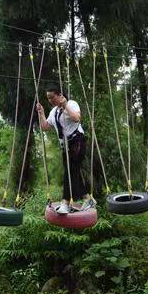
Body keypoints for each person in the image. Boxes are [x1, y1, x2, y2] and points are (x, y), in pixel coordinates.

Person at [36, 86, 93, 214]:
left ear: (59, 95)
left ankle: (65, 202)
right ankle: (87, 199)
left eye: (52, 97)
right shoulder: (54, 111)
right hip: (65, 146)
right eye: (48, 98)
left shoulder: (72, 104)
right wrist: (41, 113)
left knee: (70, 172)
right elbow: (45, 126)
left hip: (77, 141)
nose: (50, 100)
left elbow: (77, 118)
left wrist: (65, 105)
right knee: (74, 173)